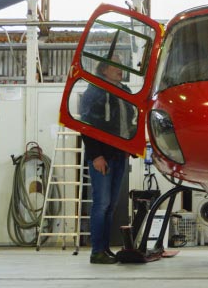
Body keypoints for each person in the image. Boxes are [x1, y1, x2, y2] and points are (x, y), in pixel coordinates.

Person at [79, 57, 136, 264]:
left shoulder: (126, 91)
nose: (120, 68)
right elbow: (86, 124)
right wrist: (96, 155)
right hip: (102, 157)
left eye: (121, 63)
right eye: (115, 64)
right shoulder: (94, 91)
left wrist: (130, 145)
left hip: (119, 155)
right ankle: (97, 251)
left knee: (111, 205)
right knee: (101, 204)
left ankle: (104, 248)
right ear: (103, 69)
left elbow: (130, 121)